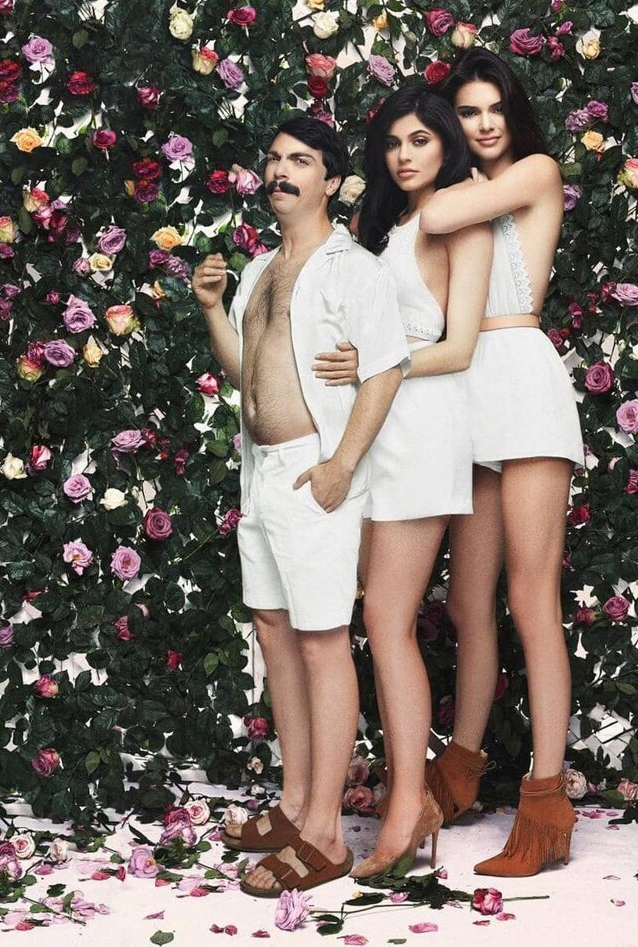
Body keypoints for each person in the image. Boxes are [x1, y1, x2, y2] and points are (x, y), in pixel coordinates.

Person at [192, 116, 410, 896]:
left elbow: (386, 368)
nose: (281, 170)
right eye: (275, 158)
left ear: (332, 181)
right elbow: (246, 371)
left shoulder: (355, 269)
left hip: (314, 473)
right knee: (275, 632)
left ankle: (324, 835)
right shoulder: (259, 268)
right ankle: (293, 805)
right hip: (261, 476)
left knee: (322, 643)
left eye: (301, 160)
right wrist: (213, 307)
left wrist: (340, 465)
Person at [420, 48, 585, 877]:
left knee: (531, 596)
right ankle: (461, 764)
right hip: (465, 385)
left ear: (511, 115)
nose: (484, 123)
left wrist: (423, 183)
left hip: (521, 377)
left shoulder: (534, 172)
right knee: (464, 601)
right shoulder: (463, 188)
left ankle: (547, 799)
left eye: (493, 108)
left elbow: (435, 216)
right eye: (468, 112)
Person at [348, 85, 492, 880]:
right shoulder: (389, 224)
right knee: (379, 615)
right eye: (393, 142)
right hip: (377, 425)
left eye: (421, 140)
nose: (404, 155)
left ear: (447, 145)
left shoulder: (457, 217)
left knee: (387, 615)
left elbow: (459, 344)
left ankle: (410, 801)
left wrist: (379, 363)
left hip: (424, 423)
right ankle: (409, 795)